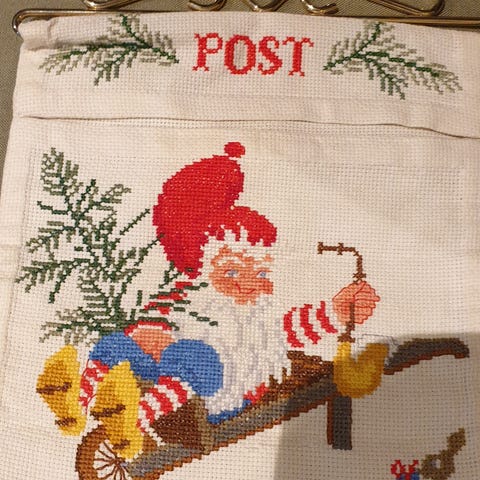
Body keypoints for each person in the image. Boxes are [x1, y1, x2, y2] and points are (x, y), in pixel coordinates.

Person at [37, 143, 381, 460]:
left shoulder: (258, 322)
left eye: (260, 273)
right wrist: (147, 336)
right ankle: (75, 402)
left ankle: (134, 418)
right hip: (165, 380)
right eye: (232, 272)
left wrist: (336, 311)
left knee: (194, 357)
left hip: (220, 396)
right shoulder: (187, 295)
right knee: (115, 346)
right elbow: (154, 322)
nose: (247, 283)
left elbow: (292, 328)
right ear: (205, 268)